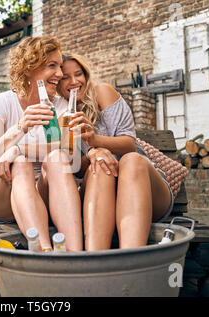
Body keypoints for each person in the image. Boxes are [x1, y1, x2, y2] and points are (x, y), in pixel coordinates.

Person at [57, 53, 174, 250]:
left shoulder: (101, 92)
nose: (74, 81)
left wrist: (95, 141)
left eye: (79, 74)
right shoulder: (60, 114)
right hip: (101, 192)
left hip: (144, 188)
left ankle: (130, 260)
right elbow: (77, 170)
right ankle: (96, 261)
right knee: (99, 165)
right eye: (65, 77)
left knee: (132, 160)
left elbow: (129, 143)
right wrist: (91, 153)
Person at [0, 36, 83, 252]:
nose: (60, 74)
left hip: (45, 191)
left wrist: (18, 148)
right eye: (51, 66)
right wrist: (20, 127)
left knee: (56, 158)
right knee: (21, 164)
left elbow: (68, 154)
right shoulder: (3, 102)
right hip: (3, 192)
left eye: (60, 67)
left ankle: (75, 255)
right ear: (28, 68)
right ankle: (44, 251)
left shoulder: (61, 106)